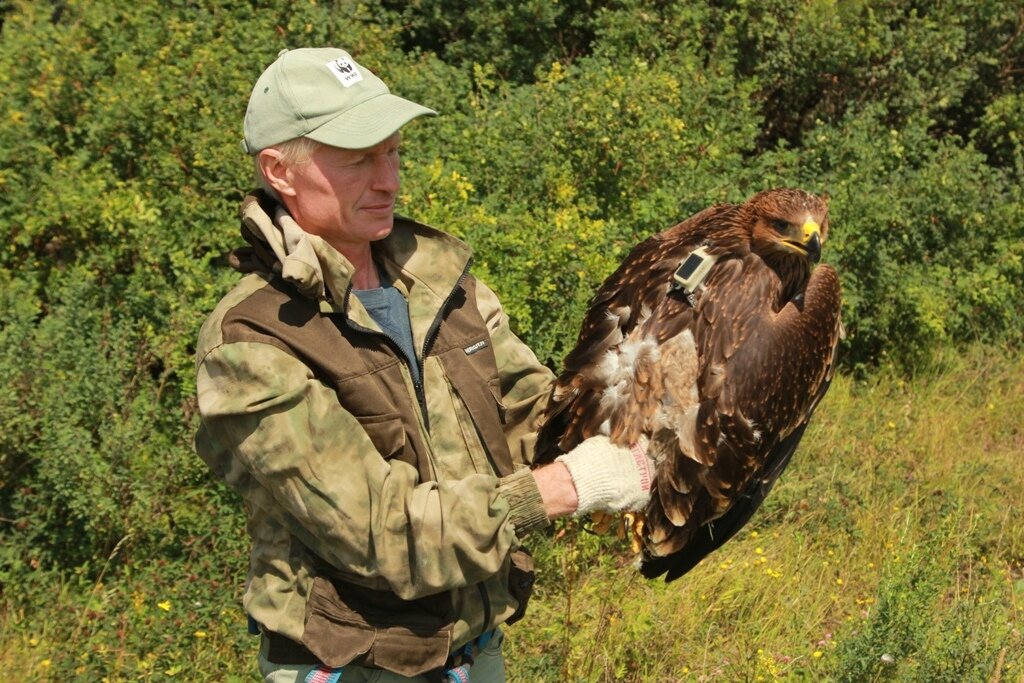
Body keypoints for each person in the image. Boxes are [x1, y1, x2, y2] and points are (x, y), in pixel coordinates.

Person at [194, 47, 653, 683]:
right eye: (359, 160)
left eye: (392, 152)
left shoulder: (444, 288)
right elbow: (378, 534)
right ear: (280, 171)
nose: (389, 180)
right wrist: (561, 488)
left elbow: (536, 418)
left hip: (475, 648)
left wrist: (647, 419)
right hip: (351, 663)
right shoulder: (252, 341)